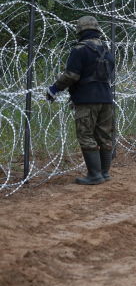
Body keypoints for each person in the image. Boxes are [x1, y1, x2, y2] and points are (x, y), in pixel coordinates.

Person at [45, 16, 115, 185]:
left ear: (80, 31)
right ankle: (104, 173)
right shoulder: (106, 50)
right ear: (97, 30)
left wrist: (54, 89)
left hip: (86, 99)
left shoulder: (80, 49)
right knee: (105, 136)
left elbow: (72, 75)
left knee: (85, 135)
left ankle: (94, 175)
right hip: (106, 98)